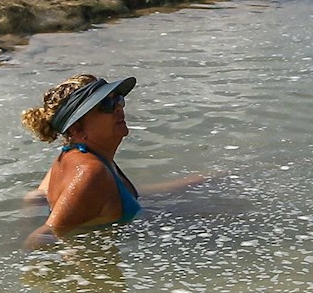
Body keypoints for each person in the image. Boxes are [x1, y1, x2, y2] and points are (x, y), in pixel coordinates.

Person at [19, 72, 205, 248]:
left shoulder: (71, 157)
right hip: (97, 274)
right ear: (76, 129)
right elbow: (44, 236)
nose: (118, 107)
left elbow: (36, 197)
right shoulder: (90, 171)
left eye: (118, 99)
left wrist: (192, 183)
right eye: (105, 105)